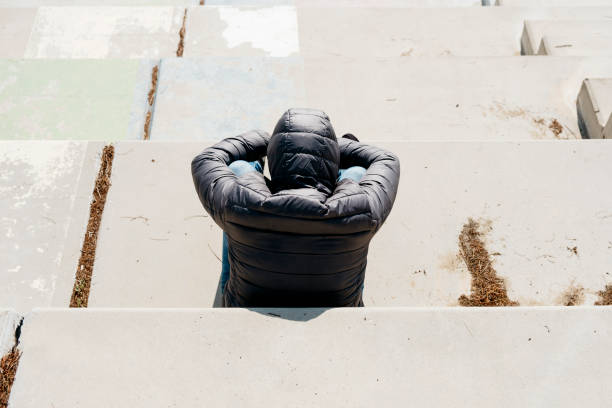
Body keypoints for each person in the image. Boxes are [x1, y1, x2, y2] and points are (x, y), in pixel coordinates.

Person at [191, 108, 400, 307]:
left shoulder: (240, 201)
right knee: (357, 172)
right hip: (342, 310)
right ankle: (339, 168)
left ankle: (262, 160)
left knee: (237, 170)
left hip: (242, 308)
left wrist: (267, 140)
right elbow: (385, 159)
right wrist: (335, 146)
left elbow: (206, 158)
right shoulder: (361, 208)